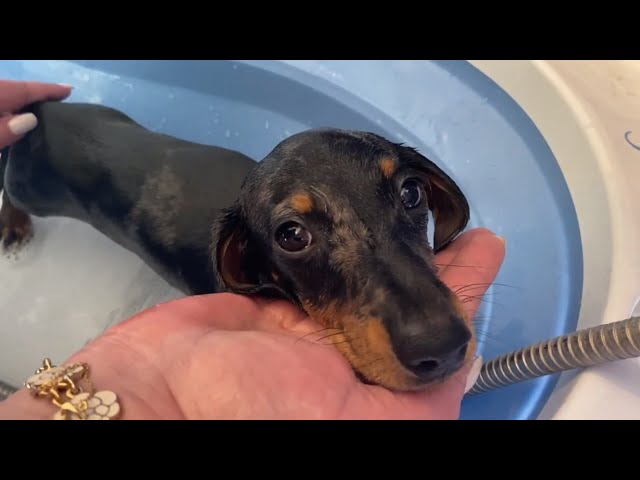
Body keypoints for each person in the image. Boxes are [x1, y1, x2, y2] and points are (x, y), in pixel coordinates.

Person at [0, 79, 505, 420]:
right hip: (47, 163)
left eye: (408, 194)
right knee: (20, 195)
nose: (434, 329)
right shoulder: (233, 265)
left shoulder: (267, 203)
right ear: (246, 266)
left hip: (99, 122)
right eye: (295, 236)